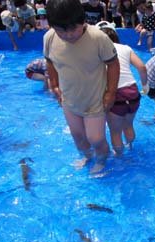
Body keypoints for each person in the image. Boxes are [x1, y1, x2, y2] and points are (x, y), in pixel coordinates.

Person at [44, 0, 120, 174]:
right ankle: (87, 156)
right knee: (78, 137)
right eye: (61, 30)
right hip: (69, 100)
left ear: (83, 20)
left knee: (96, 137)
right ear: (52, 26)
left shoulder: (98, 38)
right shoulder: (49, 38)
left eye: (73, 29)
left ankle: (101, 159)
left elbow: (113, 64)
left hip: (95, 100)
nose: (68, 35)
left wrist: (111, 92)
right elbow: (49, 61)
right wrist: (54, 84)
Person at [98, 23, 147, 156]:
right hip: (133, 93)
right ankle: (131, 148)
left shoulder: (98, 50)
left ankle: (120, 158)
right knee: (128, 125)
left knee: (115, 132)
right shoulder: (125, 48)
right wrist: (145, 87)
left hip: (115, 94)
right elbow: (142, 67)